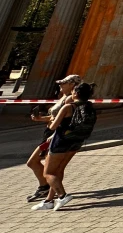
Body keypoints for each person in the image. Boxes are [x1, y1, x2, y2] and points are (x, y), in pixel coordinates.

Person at [32, 82, 97, 211]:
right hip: (76, 142)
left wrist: (45, 120)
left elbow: (53, 127)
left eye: (73, 91)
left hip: (61, 142)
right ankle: (49, 201)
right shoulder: (89, 107)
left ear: (76, 93)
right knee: (59, 170)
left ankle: (62, 196)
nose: (71, 93)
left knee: (48, 173)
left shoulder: (68, 107)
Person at [25, 74, 80, 204]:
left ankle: (50, 190)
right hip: (51, 132)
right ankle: (48, 192)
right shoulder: (64, 97)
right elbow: (55, 117)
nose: (60, 85)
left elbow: (66, 120)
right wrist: (40, 118)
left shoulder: (70, 100)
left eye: (63, 83)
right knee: (52, 168)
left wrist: (54, 133)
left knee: (34, 162)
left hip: (55, 134)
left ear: (72, 85)